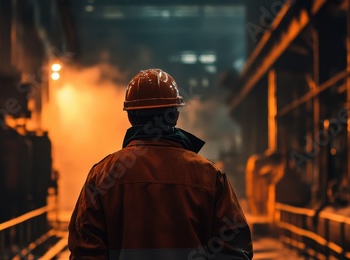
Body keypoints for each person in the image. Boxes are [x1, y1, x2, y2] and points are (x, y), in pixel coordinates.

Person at [68, 69, 253, 260]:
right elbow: (234, 251)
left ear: (130, 116)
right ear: (174, 115)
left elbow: (85, 252)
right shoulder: (210, 176)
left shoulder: (102, 175)